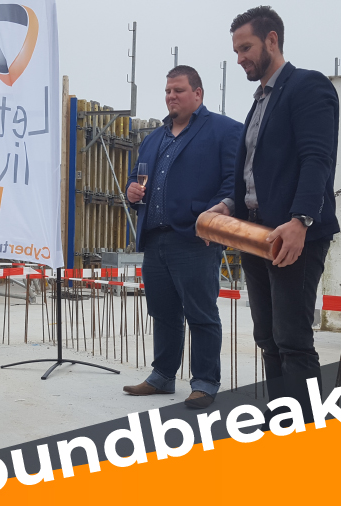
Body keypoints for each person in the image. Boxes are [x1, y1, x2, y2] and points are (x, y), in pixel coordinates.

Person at [215, 6, 340, 423]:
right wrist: (229, 205)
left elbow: (316, 159)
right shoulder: (258, 103)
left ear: (272, 40)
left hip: (292, 236)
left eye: (246, 47)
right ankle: (282, 417)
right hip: (256, 236)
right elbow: (254, 172)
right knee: (267, 336)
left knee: (292, 340)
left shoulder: (308, 87)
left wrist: (301, 220)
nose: (240, 59)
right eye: (236, 51)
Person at [121, 66, 242, 409]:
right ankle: (162, 376)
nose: (171, 96)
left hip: (195, 238)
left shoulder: (223, 130)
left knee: (201, 313)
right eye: (167, 91)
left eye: (178, 90)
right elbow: (136, 178)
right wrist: (131, 191)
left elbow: (235, 181)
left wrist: (217, 214)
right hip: (155, 238)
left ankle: (204, 381)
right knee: (163, 311)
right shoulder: (153, 138)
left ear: (198, 94)